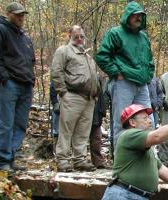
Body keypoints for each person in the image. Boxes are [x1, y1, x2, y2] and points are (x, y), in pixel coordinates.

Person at [101, 104, 168, 200]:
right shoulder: (128, 135)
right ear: (132, 122)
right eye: (145, 118)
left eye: (149, 118)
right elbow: (157, 136)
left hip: (135, 195)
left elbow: (160, 168)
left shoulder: (144, 147)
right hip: (123, 195)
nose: (149, 121)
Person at [0, 2, 35, 171]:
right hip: (9, 83)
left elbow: (30, 60)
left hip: (26, 84)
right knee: (5, 122)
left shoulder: (24, 37)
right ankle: (2, 160)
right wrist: (3, 77)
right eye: (18, 14)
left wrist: (32, 79)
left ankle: (12, 157)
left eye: (23, 14)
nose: (21, 17)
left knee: (20, 124)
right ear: (9, 13)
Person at [96, 1, 155, 148]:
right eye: (135, 15)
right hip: (123, 83)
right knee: (121, 122)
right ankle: (122, 162)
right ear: (127, 16)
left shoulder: (143, 37)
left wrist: (148, 75)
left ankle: (148, 159)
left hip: (142, 85)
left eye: (140, 15)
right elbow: (102, 56)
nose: (138, 18)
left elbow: (149, 60)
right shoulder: (115, 33)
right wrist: (117, 73)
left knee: (148, 122)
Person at [51, 25, 100, 172]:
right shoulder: (64, 51)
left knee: (83, 132)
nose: (79, 39)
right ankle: (63, 161)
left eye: (82, 36)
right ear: (69, 35)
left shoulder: (87, 55)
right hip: (72, 95)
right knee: (66, 130)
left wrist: (95, 96)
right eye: (76, 36)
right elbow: (56, 71)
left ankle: (79, 160)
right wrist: (63, 92)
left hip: (89, 99)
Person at [90, 75, 110, 169]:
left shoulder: (97, 79)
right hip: (84, 110)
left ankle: (98, 161)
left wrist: (102, 111)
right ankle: (79, 160)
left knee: (96, 138)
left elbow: (101, 96)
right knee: (80, 137)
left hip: (96, 112)